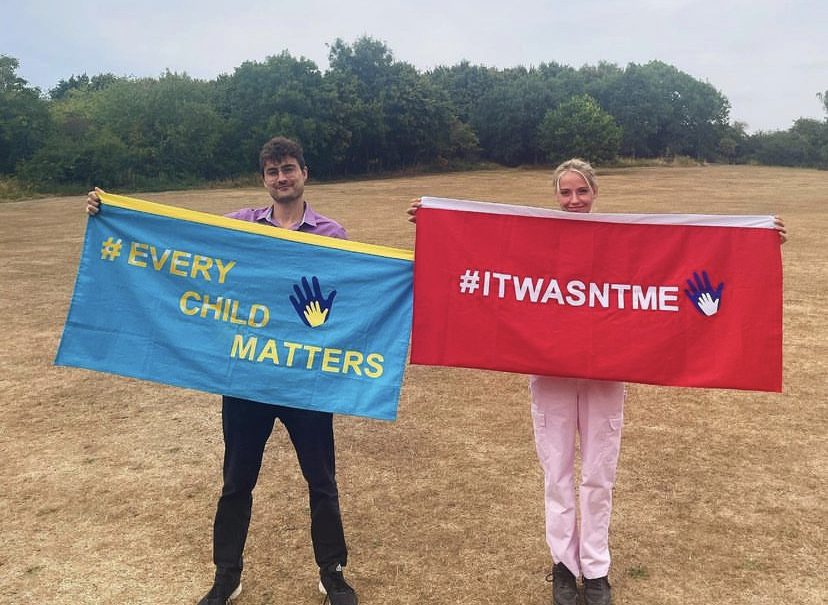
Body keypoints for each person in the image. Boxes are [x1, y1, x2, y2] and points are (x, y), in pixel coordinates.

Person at [407, 159, 787, 605]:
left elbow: (679, 261)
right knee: (558, 472)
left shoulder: (621, 239)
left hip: (607, 373)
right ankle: (564, 566)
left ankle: (597, 566)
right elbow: (484, 258)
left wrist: (759, 239)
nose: (573, 201)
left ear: (595, 193)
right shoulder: (537, 238)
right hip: (549, 373)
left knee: (599, 474)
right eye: (565, 192)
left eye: (581, 192)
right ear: (555, 196)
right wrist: (434, 221)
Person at [87, 136, 358, 605]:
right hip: (246, 378)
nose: (281, 178)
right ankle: (227, 575)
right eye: (273, 172)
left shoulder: (331, 234)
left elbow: (352, 295)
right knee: (236, 481)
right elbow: (179, 235)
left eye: (288, 169)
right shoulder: (240, 224)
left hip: (304, 379)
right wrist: (111, 211)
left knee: (322, 480)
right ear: (264, 179)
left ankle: (332, 572)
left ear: (304, 173)